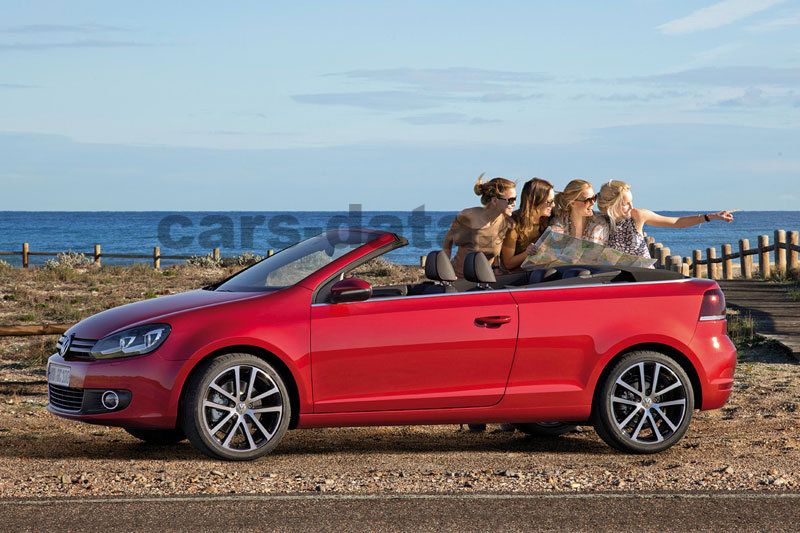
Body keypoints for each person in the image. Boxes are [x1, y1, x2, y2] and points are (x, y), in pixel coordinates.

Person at [597, 179, 734, 258]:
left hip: (642, 277)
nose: (631, 206)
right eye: (625, 203)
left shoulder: (637, 215)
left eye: (632, 201)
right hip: (614, 280)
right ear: (611, 204)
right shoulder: (598, 222)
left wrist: (710, 217)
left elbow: (677, 223)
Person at [442, 174, 516, 278]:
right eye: (511, 200)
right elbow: (448, 241)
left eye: (515, 199)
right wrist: (446, 273)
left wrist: (496, 268)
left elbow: (494, 250)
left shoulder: (506, 223)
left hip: (485, 280)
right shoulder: (467, 217)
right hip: (459, 279)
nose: (514, 204)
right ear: (495, 200)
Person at [500, 178, 555, 272]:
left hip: (542, 270)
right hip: (520, 277)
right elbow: (508, 263)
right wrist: (527, 253)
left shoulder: (550, 219)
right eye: (549, 202)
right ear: (535, 201)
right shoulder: (514, 224)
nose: (553, 205)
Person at [550, 179, 608, 244]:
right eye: (588, 200)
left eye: (594, 198)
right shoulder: (558, 221)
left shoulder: (601, 223)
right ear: (572, 203)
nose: (593, 203)